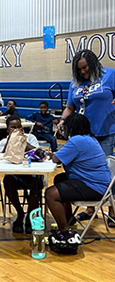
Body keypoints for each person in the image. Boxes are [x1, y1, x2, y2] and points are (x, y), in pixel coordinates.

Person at [57, 49, 115, 224]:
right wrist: (62, 120)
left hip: (106, 131)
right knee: (81, 171)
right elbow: (70, 107)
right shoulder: (75, 83)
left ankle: (113, 210)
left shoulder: (110, 75)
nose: (83, 72)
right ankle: (91, 209)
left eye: (85, 68)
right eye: (79, 70)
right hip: (83, 137)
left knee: (106, 172)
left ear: (94, 63)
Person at [46, 113, 110, 242]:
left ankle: (64, 231)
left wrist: (54, 153)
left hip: (94, 187)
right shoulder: (88, 138)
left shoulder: (77, 141)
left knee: (50, 194)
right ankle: (69, 220)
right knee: (60, 179)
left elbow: (56, 159)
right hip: (98, 183)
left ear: (71, 128)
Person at [0, 115, 42, 234]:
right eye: (13, 128)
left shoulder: (31, 138)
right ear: (7, 129)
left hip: (30, 173)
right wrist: (10, 140)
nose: (16, 130)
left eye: (18, 127)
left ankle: (29, 217)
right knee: (8, 181)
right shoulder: (3, 141)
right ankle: (20, 213)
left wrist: (24, 142)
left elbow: (39, 154)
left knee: (36, 183)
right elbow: (0, 157)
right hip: (14, 174)